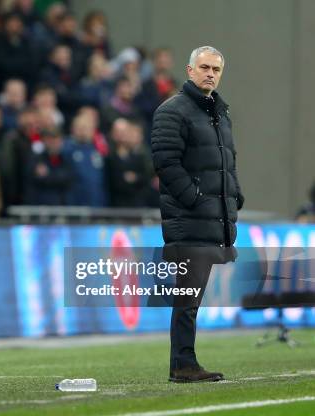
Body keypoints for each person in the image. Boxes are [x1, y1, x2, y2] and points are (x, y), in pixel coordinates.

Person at [151, 46, 244, 383]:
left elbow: (225, 163)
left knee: (192, 296)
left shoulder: (220, 113)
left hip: (212, 220)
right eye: (204, 67)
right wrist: (196, 199)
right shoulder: (172, 111)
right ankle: (182, 364)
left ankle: (184, 361)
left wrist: (234, 196)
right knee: (188, 297)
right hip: (189, 220)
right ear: (189, 70)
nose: (210, 74)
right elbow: (166, 163)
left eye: (216, 69)